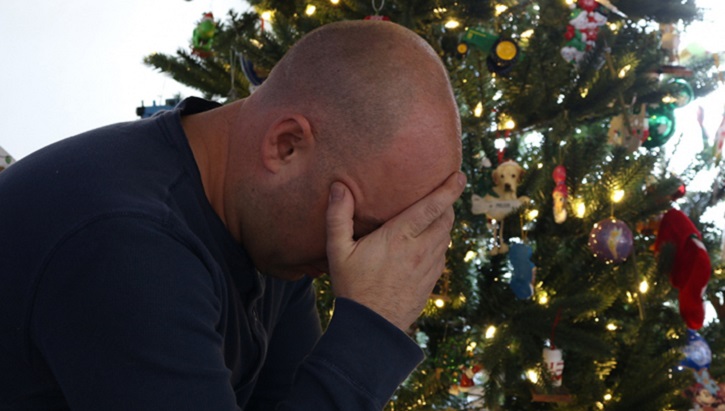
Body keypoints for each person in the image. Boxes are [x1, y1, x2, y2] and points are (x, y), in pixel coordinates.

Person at [0, 20, 464, 410]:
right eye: (361, 229)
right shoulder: (126, 241)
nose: (350, 259)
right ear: (286, 145)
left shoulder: (266, 236)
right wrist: (371, 326)